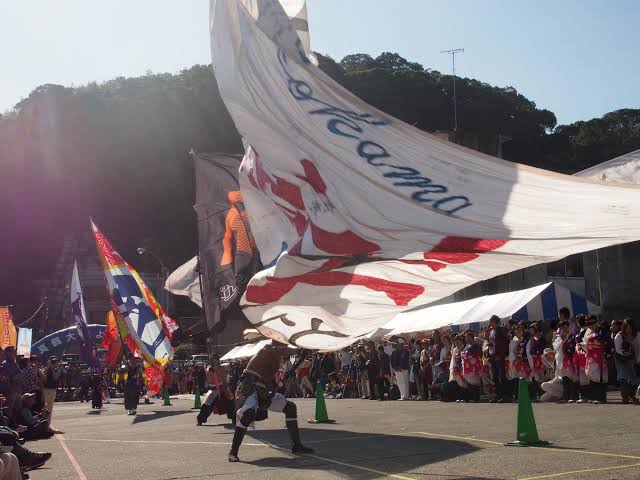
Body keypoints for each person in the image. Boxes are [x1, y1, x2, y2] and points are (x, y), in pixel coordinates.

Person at [228, 344, 313, 462]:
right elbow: (277, 349)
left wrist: (277, 384)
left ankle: (296, 445)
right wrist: (300, 350)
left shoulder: (277, 360)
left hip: (264, 391)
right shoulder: (267, 349)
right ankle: (233, 452)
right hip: (250, 387)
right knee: (248, 414)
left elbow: (269, 380)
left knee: (290, 408)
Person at [197, 356, 235, 426]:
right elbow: (209, 380)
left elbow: (224, 378)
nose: (215, 362)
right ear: (211, 361)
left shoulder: (222, 368)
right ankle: (200, 419)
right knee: (206, 404)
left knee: (230, 403)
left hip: (222, 388)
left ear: (218, 360)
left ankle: (234, 419)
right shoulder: (208, 369)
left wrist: (225, 386)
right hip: (213, 390)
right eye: (213, 360)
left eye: (216, 360)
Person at [583, 316, 608, 403]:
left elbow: (606, 342)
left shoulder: (602, 331)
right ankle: (594, 396)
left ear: (596, 322)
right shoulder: (588, 332)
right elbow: (585, 342)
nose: (591, 326)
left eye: (592, 324)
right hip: (591, 357)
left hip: (600, 356)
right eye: (589, 325)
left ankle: (601, 398)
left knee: (600, 377)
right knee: (592, 376)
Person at [614, 319, 638, 404]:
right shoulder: (619, 336)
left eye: (630, 328)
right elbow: (618, 349)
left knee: (635, 379)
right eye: (627, 328)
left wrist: (637, 360)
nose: (629, 330)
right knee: (623, 378)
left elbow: (638, 348)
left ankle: (632, 395)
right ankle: (624, 397)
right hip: (621, 359)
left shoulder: (636, 335)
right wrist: (624, 353)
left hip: (633, 359)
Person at [487, 315, 510, 403]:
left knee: (501, 375)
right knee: (495, 376)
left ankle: (504, 395)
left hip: (499, 355)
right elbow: (492, 342)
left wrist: (500, 354)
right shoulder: (491, 331)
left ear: (495, 322)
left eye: (491, 322)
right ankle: (497, 395)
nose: (490, 323)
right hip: (492, 354)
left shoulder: (501, 330)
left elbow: (504, 343)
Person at [2, 348, 22, 420]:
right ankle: (10, 426)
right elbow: (5, 377)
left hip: (17, 389)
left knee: (18, 410)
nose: (15, 352)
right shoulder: (5, 363)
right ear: (8, 352)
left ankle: (17, 426)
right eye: (13, 351)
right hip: (11, 390)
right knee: (9, 410)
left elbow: (20, 373)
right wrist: (14, 377)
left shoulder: (14, 362)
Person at [461, 331, 482, 402]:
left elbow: (476, 354)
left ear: (472, 338)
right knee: (469, 381)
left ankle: (476, 398)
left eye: (469, 337)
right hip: (468, 367)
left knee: (475, 382)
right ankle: (471, 397)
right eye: (466, 338)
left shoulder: (476, 345)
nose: (467, 339)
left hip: (475, 366)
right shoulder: (466, 346)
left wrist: (468, 355)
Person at [42, 357, 60, 429]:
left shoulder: (56, 369)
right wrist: (48, 367)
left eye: (54, 362)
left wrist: (52, 369)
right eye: (52, 362)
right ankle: (43, 423)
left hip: (52, 389)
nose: (54, 363)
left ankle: (48, 424)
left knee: (50, 407)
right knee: (44, 407)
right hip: (45, 389)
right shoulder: (46, 369)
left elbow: (55, 377)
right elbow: (43, 377)